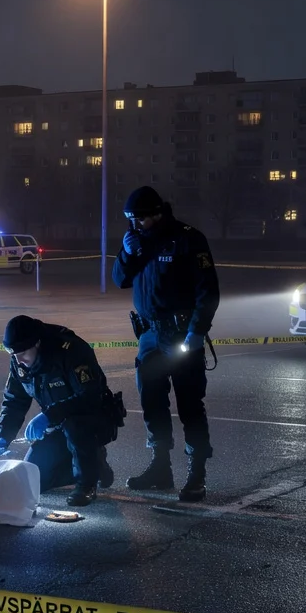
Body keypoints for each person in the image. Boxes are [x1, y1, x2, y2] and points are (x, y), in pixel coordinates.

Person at [112, 186, 221, 502]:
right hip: (149, 336)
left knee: (189, 404)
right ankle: (161, 468)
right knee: (152, 403)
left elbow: (208, 291)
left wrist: (197, 332)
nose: (135, 225)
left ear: (156, 213)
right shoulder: (139, 240)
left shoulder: (187, 238)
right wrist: (127, 253)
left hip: (181, 334)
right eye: (130, 220)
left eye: (139, 219)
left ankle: (197, 474)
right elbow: (120, 279)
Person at [0, 315, 121, 508]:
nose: (18, 360)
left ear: (37, 343)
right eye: (13, 354)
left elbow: (90, 396)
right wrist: (3, 436)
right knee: (36, 477)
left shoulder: (71, 351)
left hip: (92, 419)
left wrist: (48, 415)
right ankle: (95, 466)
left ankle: (86, 485)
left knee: (75, 426)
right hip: (57, 423)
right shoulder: (20, 361)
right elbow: (14, 401)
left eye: (23, 352)